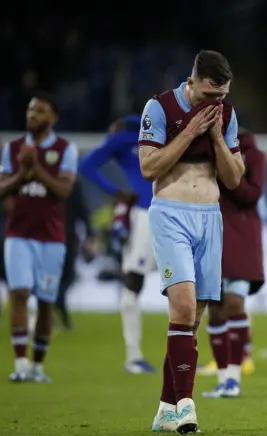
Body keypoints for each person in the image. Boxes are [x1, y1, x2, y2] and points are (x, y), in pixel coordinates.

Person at [138, 50, 244, 434]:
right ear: (193, 81)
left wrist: (215, 135)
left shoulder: (226, 116)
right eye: (208, 95)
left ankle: (166, 408)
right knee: (181, 309)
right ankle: (186, 406)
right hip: (170, 214)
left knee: (192, 320)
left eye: (222, 96)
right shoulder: (161, 107)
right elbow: (148, 167)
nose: (215, 103)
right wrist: (189, 132)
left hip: (209, 220)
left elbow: (234, 179)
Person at [0, 92, 78, 382]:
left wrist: (36, 170)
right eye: (30, 110)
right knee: (19, 293)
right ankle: (20, 364)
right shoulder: (13, 148)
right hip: (18, 234)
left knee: (46, 300)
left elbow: (64, 191)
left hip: (51, 238)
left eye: (40, 111)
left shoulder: (65, 149)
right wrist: (22, 174)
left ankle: (37, 366)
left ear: (52, 117)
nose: (32, 115)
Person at [79, 114, 157, 373]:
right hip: (146, 215)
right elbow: (87, 166)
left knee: (183, 285)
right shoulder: (127, 138)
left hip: (171, 212)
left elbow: (89, 165)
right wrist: (117, 192)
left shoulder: (152, 136)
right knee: (134, 279)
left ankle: (183, 358)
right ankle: (133, 358)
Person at [202, 126, 266, 398]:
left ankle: (234, 379)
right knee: (214, 309)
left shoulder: (253, 155)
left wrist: (227, 172)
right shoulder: (203, 151)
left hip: (240, 237)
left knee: (235, 303)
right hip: (208, 233)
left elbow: (250, 195)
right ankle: (222, 378)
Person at [55, 178, 97, 330]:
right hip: (66, 235)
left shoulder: (48, 176)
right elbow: (82, 209)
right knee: (68, 276)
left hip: (52, 234)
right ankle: (57, 306)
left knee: (59, 277)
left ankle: (55, 308)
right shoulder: (73, 181)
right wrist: (89, 232)